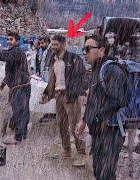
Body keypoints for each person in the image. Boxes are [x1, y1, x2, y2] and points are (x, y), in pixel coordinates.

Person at [76, 35, 127, 179]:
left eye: (88, 49)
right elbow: (93, 99)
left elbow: (118, 100)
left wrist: (98, 116)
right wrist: (85, 120)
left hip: (111, 131)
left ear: (102, 50)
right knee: (98, 170)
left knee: (106, 173)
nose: (85, 53)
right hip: (99, 130)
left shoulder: (112, 70)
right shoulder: (96, 70)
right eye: (83, 49)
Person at [41, 34, 87, 167]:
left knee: (74, 126)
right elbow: (52, 79)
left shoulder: (73, 58)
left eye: (56, 44)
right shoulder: (53, 60)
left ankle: (81, 154)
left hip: (71, 96)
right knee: (61, 125)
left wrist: (82, 92)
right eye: (52, 44)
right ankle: (67, 151)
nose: (53, 47)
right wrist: (46, 93)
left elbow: (83, 76)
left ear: (63, 44)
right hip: (58, 96)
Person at [0, 31, 31, 145]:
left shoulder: (17, 51)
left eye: (11, 39)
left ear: (17, 41)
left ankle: (17, 138)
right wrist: (3, 83)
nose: (8, 41)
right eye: (7, 39)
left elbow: (4, 56)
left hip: (20, 86)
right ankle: (23, 133)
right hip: (20, 85)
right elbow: (11, 72)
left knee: (19, 111)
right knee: (23, 111)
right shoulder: (13, 52)